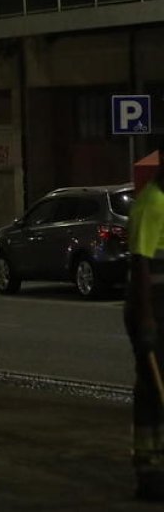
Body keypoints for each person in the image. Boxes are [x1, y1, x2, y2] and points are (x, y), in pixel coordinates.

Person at [127, 137, 164, 500]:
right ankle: (150, 473)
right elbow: (140, 264)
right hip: (150, 309)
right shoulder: (151, 204)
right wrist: (148, 322)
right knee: (153, 391)